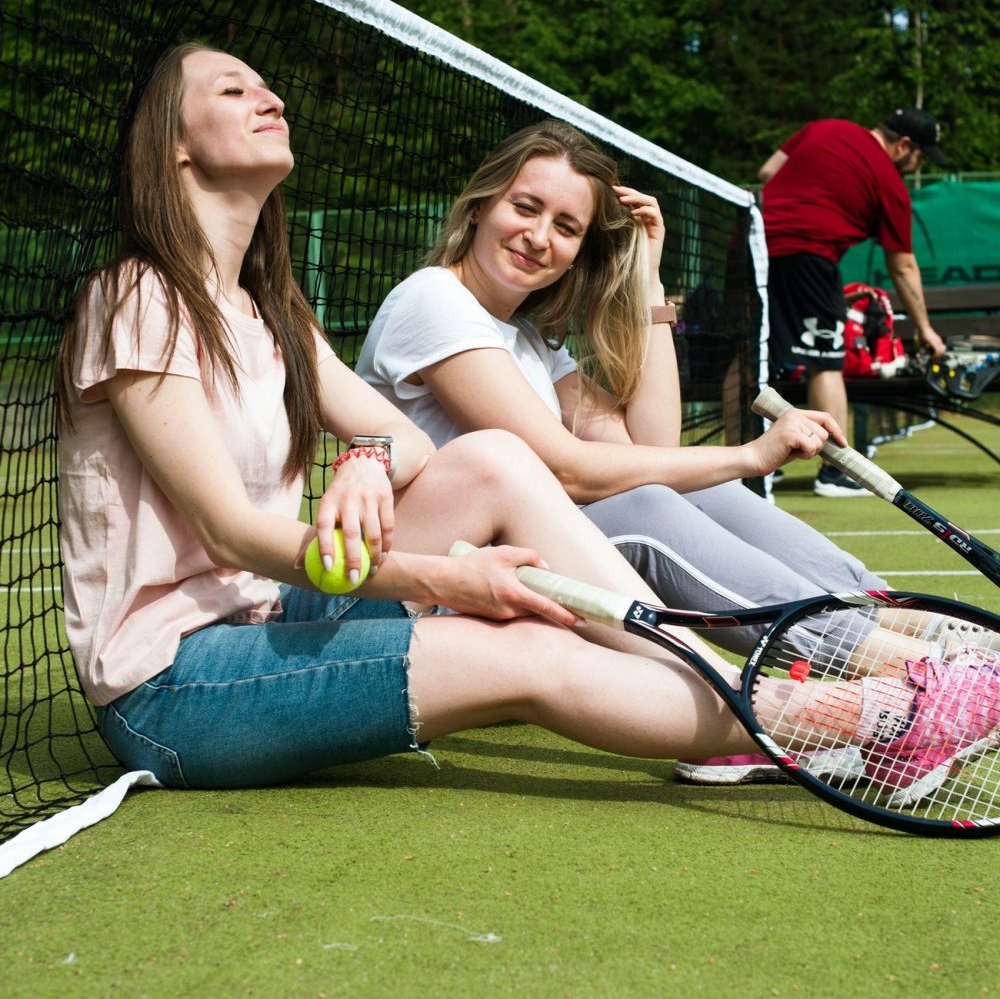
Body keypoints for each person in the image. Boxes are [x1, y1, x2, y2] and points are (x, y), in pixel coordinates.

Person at [53, 43, 992, 806]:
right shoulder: (137, 297)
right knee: (529, 651)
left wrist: (365, 461)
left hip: (281, 609)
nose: (271, 98)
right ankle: (872, 720)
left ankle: (830, 667)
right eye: (233, 88)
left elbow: (414, 444)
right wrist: (448, 575)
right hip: (179, 686)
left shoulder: (273, 309)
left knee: (497, 458)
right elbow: (229, 530)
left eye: (267, 82)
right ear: (173, 143)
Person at [354, 119, 988, 785]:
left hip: (524, 570)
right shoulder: (435, 301)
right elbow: (568, 468)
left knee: (689, 486)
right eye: (525, 207)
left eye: (567, 227)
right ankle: (890, 672)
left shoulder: (525, 339)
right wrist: (751, 456)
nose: (540, 237)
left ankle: (914, 628)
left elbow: (652, 449)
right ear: (481, 204)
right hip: (429, 589)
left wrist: (652, 286)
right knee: (635, 511)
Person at [759, 108, 949, 497]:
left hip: (753, 244)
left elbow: (767, 172)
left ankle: (757, 466)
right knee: (827, 361)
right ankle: (836, 471)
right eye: (919, 158)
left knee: (755, 358)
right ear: (904, 146)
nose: (915, 168)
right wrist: (926, 329)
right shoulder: (890, 184)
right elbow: (903, 267)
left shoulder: (824, 126)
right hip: (807, 256)